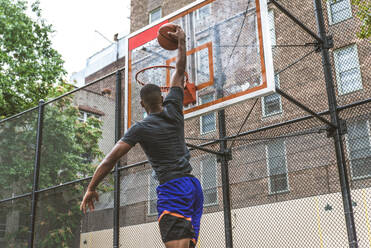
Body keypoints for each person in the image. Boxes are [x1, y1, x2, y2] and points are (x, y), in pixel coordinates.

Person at [80, 25, 203, 248]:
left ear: (141, 104)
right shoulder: (174, 108)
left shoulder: (139, 128)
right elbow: (179, 70)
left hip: (173, 188)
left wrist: (91, 187)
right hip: (193, 187)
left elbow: (110, 159)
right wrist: (182, 42)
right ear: (163, 99)